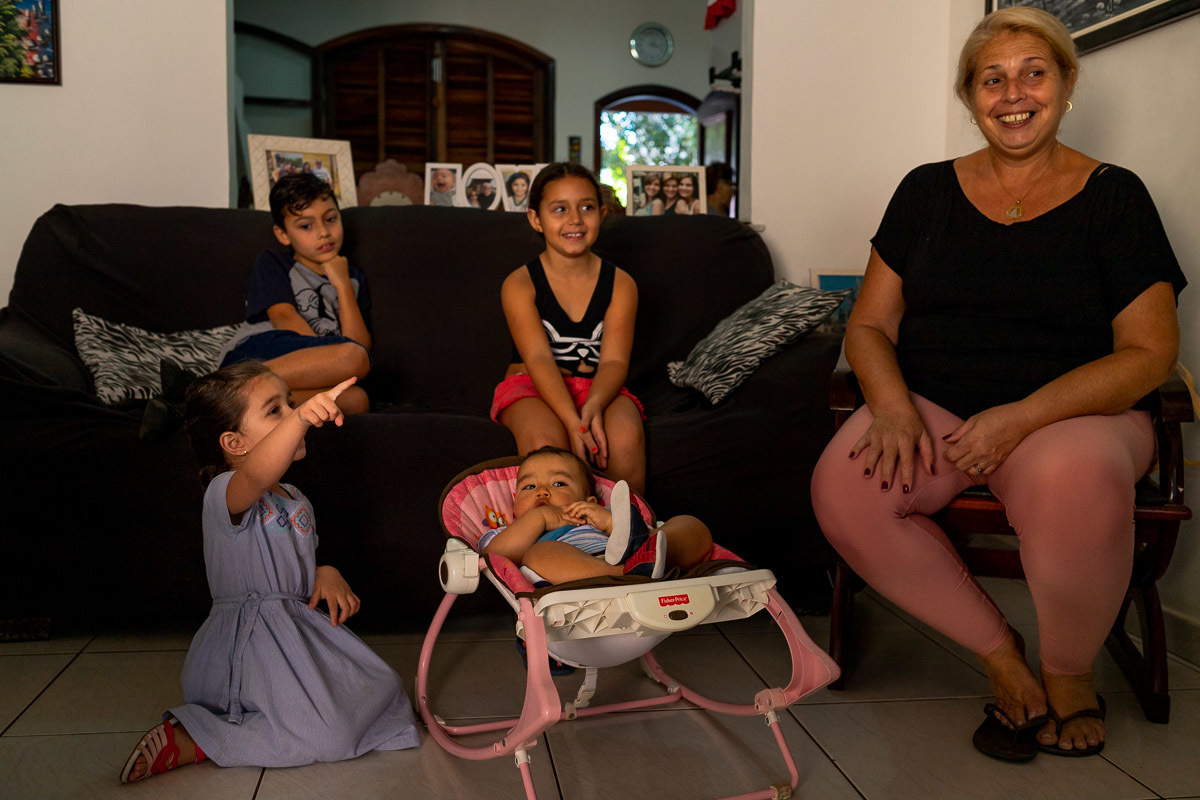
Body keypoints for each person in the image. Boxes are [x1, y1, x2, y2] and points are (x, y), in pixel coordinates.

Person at [810, 7, 1185, 761]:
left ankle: (1068, 671)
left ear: (1066, 84)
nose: (1013, 94)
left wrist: (1021, 418)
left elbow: (1149, 354)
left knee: (1072, 475)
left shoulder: (1116, 196)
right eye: (992, 79)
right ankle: (999, 649)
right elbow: (870, 326)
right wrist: (891, 407)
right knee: (845, 488)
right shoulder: (924, 192)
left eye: (1033, 74)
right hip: (936, 407)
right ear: (970, 96)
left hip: (1073, 413)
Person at [119, 363, 420, 783]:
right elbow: (259, 473)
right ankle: (199, 736)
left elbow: (293, 563)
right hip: (252, 642)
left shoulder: (295, 497)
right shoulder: (225, 490)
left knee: (385, 687)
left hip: (296, 631)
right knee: (328, 734)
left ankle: (276, 720)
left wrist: (323, 571)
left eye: (291, 405)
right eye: (275, 410)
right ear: (234, 443)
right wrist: (301, 418)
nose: (294, 415)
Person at [491, 162, 647, 494]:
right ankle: (552, 525)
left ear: (601, 213)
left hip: (598, 385)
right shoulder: (519, 284)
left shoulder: (621, 284)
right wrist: (573, 422)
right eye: (560, 209)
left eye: (586, 208)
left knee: (624, 438)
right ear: (536, 218)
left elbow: (614, 361)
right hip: (533, 384)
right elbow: (538, 358)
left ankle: (625, 524)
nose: (575, 219)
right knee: (547, 446)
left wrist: (593, 406)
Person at [217, 173, 372, 415]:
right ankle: (222, 385)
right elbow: (284, 317)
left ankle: (217, 402)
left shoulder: (353, 278)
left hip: (310, 371)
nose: (324, 232)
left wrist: (343, 285)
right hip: (258, 354)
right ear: (283, 234)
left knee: (357, 400)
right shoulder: (274, 263)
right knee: (353, 358)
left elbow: (360, 345)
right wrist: (329, 360)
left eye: (330, 219)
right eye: (306, 226)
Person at [481, 447, 713, 584]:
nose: (542, 491)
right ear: (514, 509)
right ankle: (629, 572)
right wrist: (540, 517)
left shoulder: (602, 514)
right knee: (538, 554)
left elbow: (645, 528)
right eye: (529, 487)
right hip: (589, 572)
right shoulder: (510, 532)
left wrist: (610, 522)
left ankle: (644, 552)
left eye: (559, 483)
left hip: (640, 551)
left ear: (589, 501)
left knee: (688, 524)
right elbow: (495, 557)